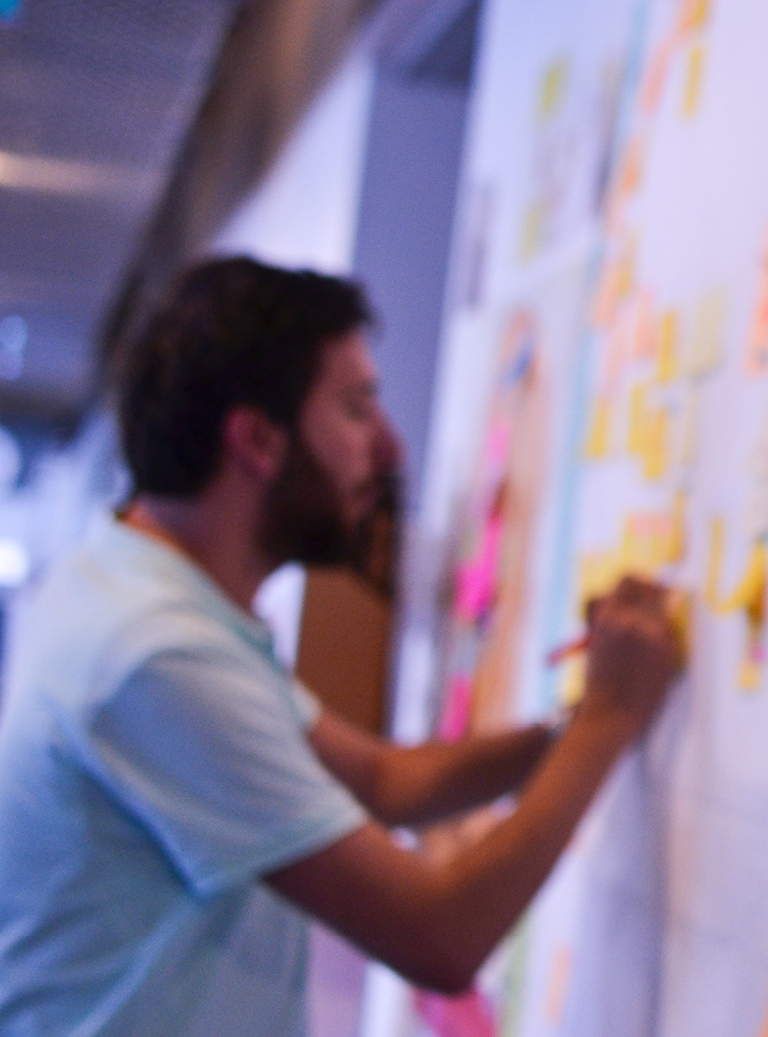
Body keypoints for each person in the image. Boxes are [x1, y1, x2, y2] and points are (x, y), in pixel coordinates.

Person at [0, 257, 683, 1035]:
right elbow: (442, 934)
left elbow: (386, 779)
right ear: (257, 438)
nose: (388, 448)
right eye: (358, 408)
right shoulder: (157, 655)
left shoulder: (138, 582)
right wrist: (607, 722)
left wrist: (581, 718)